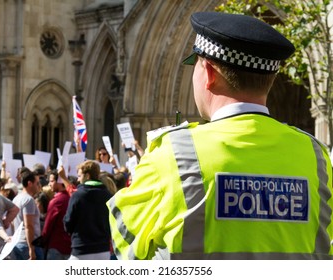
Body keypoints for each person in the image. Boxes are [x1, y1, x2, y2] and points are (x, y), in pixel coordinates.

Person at [107, 11, 333, 260]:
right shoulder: (316, 156)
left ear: (209, 72)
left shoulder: (172, 153)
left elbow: (125, 240)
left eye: (194, 63)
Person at [64, 160, 112, 260]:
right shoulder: (108, 195)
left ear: (87, 176)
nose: (77, 180)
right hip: (103, 250)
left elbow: (68, 221)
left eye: (79, 176)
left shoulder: (77, 195)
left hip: (81, 249)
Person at [12, 170, 44, 260]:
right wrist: (31, 249)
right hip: (27, 244)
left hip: (18, 243)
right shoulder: (28, 200)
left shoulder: (17, 198)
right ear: (30, 183)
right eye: (37, 183)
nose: (39, 186)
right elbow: (28, 225)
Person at [40, 169, 71, 259]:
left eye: (52, 181)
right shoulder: (72, 197)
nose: (49, 184)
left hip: (56, 247)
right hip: (70, 247)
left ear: (60, 181)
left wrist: (42, 241)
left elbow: (48, 226)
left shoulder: (56, 201)